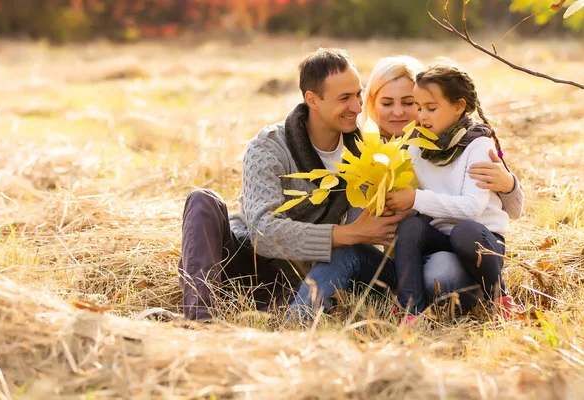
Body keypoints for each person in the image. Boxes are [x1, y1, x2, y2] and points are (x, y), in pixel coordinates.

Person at [177, 48, 406, 321]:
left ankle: (277, 314)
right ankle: (200, 319)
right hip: (241, 258)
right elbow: (263, 232)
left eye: (358, 94)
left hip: (298, 279)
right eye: (344, 98)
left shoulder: (364, 154)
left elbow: (363, 237)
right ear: (313, 99)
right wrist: (347, 234)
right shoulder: (269, 147)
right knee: (203, 200)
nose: (357, 107)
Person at [361, 56, 524, 313]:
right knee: (412, 226)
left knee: (464, 232)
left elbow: (473, 209)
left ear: (458, 107)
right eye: (419, 106)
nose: (420, 115)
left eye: (429, 108)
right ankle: (409, 309)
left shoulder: (478, 145)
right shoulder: (416, 144)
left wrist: (509, 184)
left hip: (478, 239)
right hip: (438, 238)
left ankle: (499, 297)